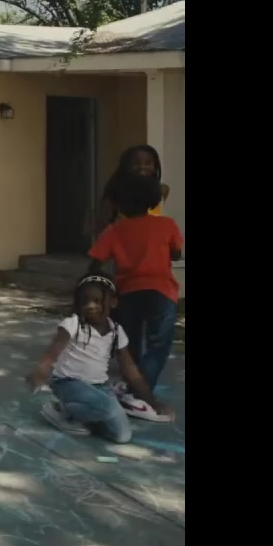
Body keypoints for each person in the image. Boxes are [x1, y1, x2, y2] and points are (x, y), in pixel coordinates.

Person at [26, 274, 174, 442]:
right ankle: (62, 410)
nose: (90, 306)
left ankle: (86, 415)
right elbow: (55, 348)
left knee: (122, 436)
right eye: (85, 301)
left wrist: (152, 402)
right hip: (69, 383)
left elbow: (131, 371)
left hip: (99, 388)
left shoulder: (117, 331)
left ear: (113, 302)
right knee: (107, 408)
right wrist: (43, 368)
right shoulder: (73, 324)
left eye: (97, 300)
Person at [88, 171, 183, 423]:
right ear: (153, 201)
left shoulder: (114, 230)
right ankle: (140, 395)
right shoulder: (167, 225)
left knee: (131, 344)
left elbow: (95, 262)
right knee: (158, 345)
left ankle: (132, 386)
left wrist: (93, 291)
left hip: (128, 292)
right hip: (161, 292)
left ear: (119, 204)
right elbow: (176, 254)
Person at [96, 145, 171, 231]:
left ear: (155, 167)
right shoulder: (114, 193)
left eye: (148, 163)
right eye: (136, 163)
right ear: (127, 167)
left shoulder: (163, 190)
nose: (142, 167)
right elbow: (101, 228)